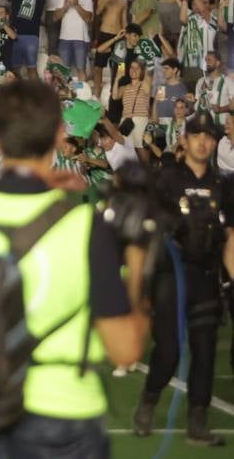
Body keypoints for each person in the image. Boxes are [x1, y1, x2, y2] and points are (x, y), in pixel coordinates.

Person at [0, 79, 150, 456]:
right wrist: (139, 260)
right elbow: (125, 350)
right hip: (62, 411)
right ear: (60, 134)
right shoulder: (81, 225)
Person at [132, 109, 232, 446]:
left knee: (205, 352)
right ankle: (149, 400)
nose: (204, 142)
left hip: (206, 278)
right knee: (170, 351)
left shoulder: (222, 186)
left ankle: (197, 423)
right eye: (197, 136)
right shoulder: (165, 181)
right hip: (170, 277)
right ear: (184, 140)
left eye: (210, 137)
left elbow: (230, 239)